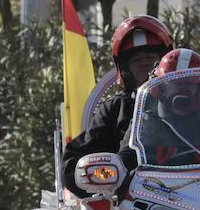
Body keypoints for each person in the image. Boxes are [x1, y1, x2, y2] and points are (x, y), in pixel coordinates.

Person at [61, 15, 173, 194]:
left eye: (152, 58)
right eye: (137, 61)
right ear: (125, 69)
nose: (146, 65)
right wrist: (106, 183)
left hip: (195, 197)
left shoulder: (197, 102)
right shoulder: (114, 109)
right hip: (132, 204)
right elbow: (73, 168)